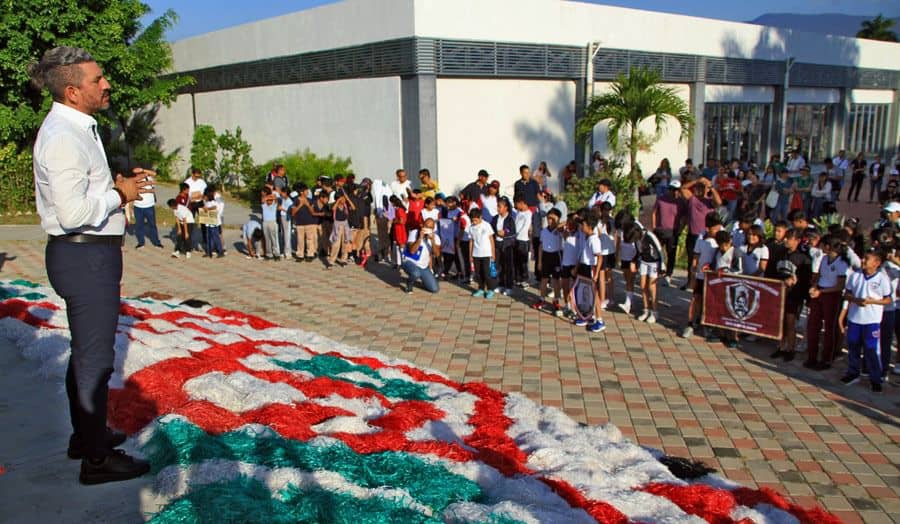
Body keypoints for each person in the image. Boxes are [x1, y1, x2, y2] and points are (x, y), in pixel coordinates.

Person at [30, 46, 152, 484]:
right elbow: (73, 212)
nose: (106, 85)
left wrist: (119, 188)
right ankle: (96, 461)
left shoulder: (77, 126)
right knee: (96, 360)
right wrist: (121, 195)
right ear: (72, 91)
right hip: (84, 255)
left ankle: (87, 437)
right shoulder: (64, 134)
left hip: (88, 254)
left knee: (85, 354)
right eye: (97, 80)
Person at [838, 249, 891, 393]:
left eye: (867, 259)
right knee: (853, 347)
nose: (863, 261)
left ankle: (875, 379)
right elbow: (847, 294)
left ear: (876, 263)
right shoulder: (855, 276)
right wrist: (856, 300)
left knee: (871, 350)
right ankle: (853, 373)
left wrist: (873, 301)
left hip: (872, 321)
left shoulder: (882, 279)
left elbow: (888, 299)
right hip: (854, 319)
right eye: (863, 258)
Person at [804, 235, 849, 370]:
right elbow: (820, 276)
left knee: (830, 328)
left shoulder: (842, 263)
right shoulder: (824, 258)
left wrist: (822, 292)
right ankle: (812, 356)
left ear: (828, 247)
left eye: (823, 245)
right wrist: (815, 286)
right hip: (820, 292)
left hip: (832, 295)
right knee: (813, 325)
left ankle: (826, 359)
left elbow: (840, 285)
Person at [772, 229, 812, 361]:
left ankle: (791, 349)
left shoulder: (803, 258)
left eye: (789, 238)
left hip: (794, 295)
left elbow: (805, 279)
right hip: (780, 293)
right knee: (780, 322)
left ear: (797, 240)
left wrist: (795, 281)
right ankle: (780, 347)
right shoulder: (781, 254)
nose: (786, 240)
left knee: (790, 322)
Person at [681, 213, 722, 338]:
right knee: (695, 299)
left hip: (715, 278)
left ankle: (707, 325)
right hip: (700, 276)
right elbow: (695, 258)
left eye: (719, 228)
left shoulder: (722, 237)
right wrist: (693, 274)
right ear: (708, 229)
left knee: (711, 302)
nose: (718, 231)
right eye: (715, 229)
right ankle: (690, 324)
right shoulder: (701, 238)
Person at [680, 177, 722, 290]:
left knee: (706, 262)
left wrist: (711, 187)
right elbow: (683, 188)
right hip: (693, 235)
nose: (701, 190)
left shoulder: (710, 202)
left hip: (706, 237)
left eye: (703, 188)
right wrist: (696, 180)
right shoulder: (692, 199)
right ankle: (690, 283)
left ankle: (706, 284)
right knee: (691, 261)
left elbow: (719, 202)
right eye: (699, 187)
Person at [573, 214, 607, 333]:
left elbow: (600, 257)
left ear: (589, 226)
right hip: (583, 266)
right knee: (585, 293)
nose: (582, 227)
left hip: (590, 269)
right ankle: (587, 316)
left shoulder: (594, 239)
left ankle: (600, 320)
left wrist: (596, 274)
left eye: (584, 225)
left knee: (595, 296)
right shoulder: (585, 237)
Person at [651, 180, 684, 287]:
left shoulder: (681, 202)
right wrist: (654, 226)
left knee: (671, 254)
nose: (675, 192)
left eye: (677, 190)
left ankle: (668, 275)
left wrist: (681, 228)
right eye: (673, 190)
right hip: (660, 229)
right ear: (669, 189)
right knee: (656, 252)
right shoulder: (661, 199)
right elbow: (654, 212)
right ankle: (655, 272)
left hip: (673, 231)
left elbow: (685, 216)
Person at [532, 208, 564, 313]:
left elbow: (566, 224)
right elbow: (541, 246)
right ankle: (542, 299)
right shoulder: (544, 231)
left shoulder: (560, 230)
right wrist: (540, 261)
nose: (550, 220)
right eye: (548, 218)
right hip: (545, 256)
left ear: (558, 219)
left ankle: (556, 300)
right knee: (544, 279)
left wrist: (558, 224)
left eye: (552, 218)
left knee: (556, 280)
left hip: (556, 256)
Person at [401, 217, 441, 294]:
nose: (427, 229)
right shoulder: (414, 233)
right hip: (409, 262)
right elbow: (412, 251)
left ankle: (424, 280)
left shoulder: (436, 237)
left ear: (433, 229)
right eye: (426, 226)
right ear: (422, 225)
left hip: (423, 266)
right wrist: (420, 238)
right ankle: (409, 285)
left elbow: (437, 254)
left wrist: (432, 241)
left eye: (430, 228)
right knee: (416, 273)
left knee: (435, 289)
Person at [636, 224, 664, 324]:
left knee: (651, 287)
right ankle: (646, 309)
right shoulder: (636, 238)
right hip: (643, 261)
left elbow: (660, 250)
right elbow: (638, 251)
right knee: (642, 286)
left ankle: (655, 312)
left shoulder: (649, 235)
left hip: (654, 263)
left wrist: (663, 265)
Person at [468, 207, 497, 298]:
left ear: (480, 217)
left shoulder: (486, 225)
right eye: (472, 220)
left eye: (476, 220)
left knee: (486, 273)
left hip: (486, 254)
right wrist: (470, 255)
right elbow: (471, 241)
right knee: (478, 273)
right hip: (476, 254)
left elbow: (491, 239)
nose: (474, 222)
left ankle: (490, 289)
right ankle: (480, 288)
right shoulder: (471, 227)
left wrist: (493, 253)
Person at [131, 169, 163, 249]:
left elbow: (154, 174)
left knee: (152, 225)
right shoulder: (134, 181)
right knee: (139, 225)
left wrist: (143, 169)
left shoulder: (149, 179)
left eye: (140, 173)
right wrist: (148, 190)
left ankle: (156, 242)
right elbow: (138, 191)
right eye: (137, 173)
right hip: (138, 206)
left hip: (149, 206)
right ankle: (141, 243)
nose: (138, 175)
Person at [493, 196, 517, 295]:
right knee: (499, 265)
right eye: (497, 206)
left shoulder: (510, 219)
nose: (498, 208)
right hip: (497, 245)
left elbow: (513, 232)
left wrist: (505, 233)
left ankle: (509, 286)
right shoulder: (495, 218)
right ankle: (500, 284)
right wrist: (496, 233)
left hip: (507, 246)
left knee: (508, 266)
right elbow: (491, 229)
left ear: (506, 207)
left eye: (500, 206)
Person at [326, 187, 355, 269]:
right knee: (336, 243)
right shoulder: (335, 205)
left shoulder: (346, 205)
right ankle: (331, 261)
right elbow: (333, 209)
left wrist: (348, 199)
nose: (344, 200)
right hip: (337, 225)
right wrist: (338, 201)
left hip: (345, 225)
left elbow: (353, 208)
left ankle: (343, 260)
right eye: (342, 198)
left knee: (345, 243)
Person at [291, 184, 318, 262]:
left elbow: (313, 212)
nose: (307, 192)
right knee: (300, 240)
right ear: (302, 192)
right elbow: (293, 213)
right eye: (306, 191)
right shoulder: (296, 200)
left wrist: (307, 205)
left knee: (310, 239)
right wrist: (300, 205)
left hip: (310, 222)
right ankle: (300, 255)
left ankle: (310, 254)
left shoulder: (310, 200)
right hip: (299, 223)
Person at [184, 166, 207, 250]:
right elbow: (186, 194)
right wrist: (193, 197)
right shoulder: (187, 182)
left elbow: (205, 191)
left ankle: (205, 239)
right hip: (191, 203)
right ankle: (189, 239)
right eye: (196, 176)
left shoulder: (202, 182)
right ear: (192, 174)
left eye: (198, 176)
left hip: (200, 203)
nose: (197, 178)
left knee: (204, 221)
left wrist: (201, 195)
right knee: (191, 221)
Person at [513, 196, 533, 287]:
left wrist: (517, 234)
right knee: (516, 260)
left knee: (523, 261)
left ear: (522, 203)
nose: (516, 206)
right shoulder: (518, 213)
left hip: (523, 240)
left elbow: (525, 227)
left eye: (517, 204)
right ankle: (517, 278)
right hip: (516, 239)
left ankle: (525, 279)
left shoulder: (528, 213)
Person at [202, 187, 224, 258]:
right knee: (208, 237)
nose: (204, 197)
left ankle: (220, 251)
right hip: (208, 221)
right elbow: (205, 207)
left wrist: (208, 209)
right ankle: (209, 251)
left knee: (215, 237)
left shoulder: (214, 201)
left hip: (214, 222)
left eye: (205, 196)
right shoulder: (206, 201)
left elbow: (215, 207)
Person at [260, 188, 280, 260]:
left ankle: (277, 254)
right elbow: (263, 200)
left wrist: (271, 197)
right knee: (267, 239)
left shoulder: (274, 204)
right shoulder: (264, 205)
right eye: (268, 200)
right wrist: (269, 197)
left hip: (272, 222)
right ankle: (269, 254)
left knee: (274, 239)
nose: (269, 201)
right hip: (265, 223)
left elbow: (276, 198)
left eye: (270, 200)